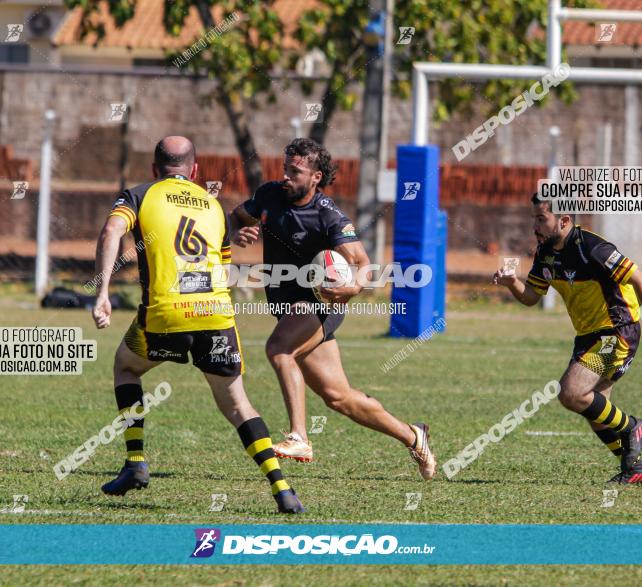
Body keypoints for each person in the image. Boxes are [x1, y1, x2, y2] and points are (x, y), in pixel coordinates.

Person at [92, 136, 304, 513]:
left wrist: (102, 291)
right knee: (238, 404)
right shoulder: (213, 205)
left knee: (125, 367)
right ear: (195, 171)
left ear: (155, 169)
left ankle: (136, 463)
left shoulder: (140, 194)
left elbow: (111, 232)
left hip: (166, 313)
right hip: (216, 315)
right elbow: (221, 267)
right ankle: (282, 489)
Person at [229, 138, 436, 480]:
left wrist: (353, 286)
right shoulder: (269, 195)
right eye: (285, 168)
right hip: (288, 308)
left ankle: (299, 437)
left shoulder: (328, 215)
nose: (286, 176)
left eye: (295, 171)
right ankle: (414, 436)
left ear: (316, 177)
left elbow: (362, 263)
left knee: (279, 351)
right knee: (339, 398)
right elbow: (237, 215)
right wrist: (240, 232)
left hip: (321, 302)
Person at [493, 193, 642, 483]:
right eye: (533, 218)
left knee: (572, 393)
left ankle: (632, 427)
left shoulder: (592, 248)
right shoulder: (545, 253)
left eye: (540, 219)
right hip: (588, 336)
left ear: (563, 220)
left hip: (618, 330)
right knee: (595, 408)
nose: (534, 226)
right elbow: (530, 297)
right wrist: (512, 282)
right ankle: (634, 468)